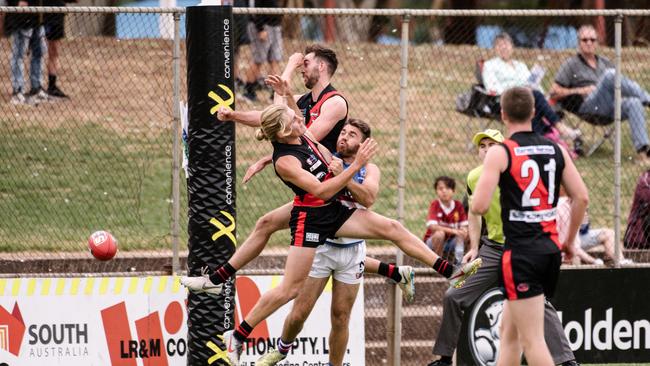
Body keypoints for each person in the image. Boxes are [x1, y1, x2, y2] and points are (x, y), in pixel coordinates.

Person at [183, 104, 481, 365]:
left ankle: (450, 271)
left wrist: (240, 112)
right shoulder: (285, 161)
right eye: (294, 118)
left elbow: (267, 116)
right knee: (290, 289)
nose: (301, 119)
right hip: (311, 217)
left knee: (392, 228)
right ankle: (236, 336)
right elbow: (324, 190)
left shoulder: (300, 134)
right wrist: (355, 167)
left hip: (334, 212)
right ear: (285, 131)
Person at [427, 128, 579, 366]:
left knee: (538, 304)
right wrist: (474, 247)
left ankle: (567, 361)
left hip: (522, 250)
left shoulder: (520, 171)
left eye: (492, 145)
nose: (486, 150)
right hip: (493, 250)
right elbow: (475, 214)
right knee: (453, 295)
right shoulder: (474, 177)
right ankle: (445, 359)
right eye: (482, 146)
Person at [255, 119, 391, 365]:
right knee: (298, 314)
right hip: (322, 246)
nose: (344, 137)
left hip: (351, 251)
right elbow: (300, 136)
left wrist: (347, 175)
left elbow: (368, 197)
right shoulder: (326, 157)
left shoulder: (370, 169)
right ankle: (282, 348)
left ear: (362, 144)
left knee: (341, 317)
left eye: (352, 135)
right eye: (343, 132)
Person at [471, 87, 588, 366]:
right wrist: (569, 241)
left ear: (502, 115)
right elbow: (581, 197)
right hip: (549, 251)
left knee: (533, 341)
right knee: (508, 334)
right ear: (534, 112)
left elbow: (479, 207)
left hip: (521, 255)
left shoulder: (501, 152)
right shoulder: (556, 149)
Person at [551, 24, 650, 164]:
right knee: (610, 75)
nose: (589, 43)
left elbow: (620, 83)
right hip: (588, 107)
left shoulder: (605, 62)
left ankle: (643, 153)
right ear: (578, 43)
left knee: (634, 102)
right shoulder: (571, 64)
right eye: (585, 40)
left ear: (597, 42)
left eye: (592, 40)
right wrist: (580, 90)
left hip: (609, 106)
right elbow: (554, 92)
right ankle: (648, 99)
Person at [482, 32, 582, 156]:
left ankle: (537, 143)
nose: (503, 47)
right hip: (504, 101)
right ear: (495, 49)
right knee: (535, 99)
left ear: (512, 47)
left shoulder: (521, 66)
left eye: (506, 44)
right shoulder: (490, 65)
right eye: (499, 45)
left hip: (527, 99)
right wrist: (518, 90)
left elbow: (535, 85)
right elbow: (493, 88)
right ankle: (558, 129)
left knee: (536, 100)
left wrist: (533, 90)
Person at [557, 187, 632, 266]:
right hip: (567, 242)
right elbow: (572, 246)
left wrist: (583, 219)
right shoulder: (562, 208)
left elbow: (584, 228)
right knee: (575, 257)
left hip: (578, 238)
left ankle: (621, 261)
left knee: (608, 233)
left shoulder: (579, 202)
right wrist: (594, 261)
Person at [6, 0, 49, 105]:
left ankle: (36, 87)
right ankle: (18, 90)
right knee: (18, 55)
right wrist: (17, 2)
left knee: (38, 53)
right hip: (21, 18)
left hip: (37, 17)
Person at [242, 0, 283, 102]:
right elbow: (253, 9)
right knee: (258, 60)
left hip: (275, 25)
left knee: (275, 59)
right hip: (262, 26)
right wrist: (260, 29)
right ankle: (249, 91)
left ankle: (274, 93)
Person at [422, 176, 468, 265]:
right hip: (433, 242)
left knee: (468, 234)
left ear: (453, 191)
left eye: (447, 188)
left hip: (452, 242)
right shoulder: (435, 205)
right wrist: (454, 231)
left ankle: (463, 264)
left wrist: (463, 231)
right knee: (440, 234)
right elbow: (432, 226)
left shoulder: (458, 205)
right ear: (436, 191)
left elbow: (464, 225)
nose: (444, 191)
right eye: (440, 188)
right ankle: (438, 265)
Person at [43, 0, 75, 98]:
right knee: (45, 51)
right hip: (48, 16)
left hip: (57, 16)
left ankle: (52, 86)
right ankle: (39, 86)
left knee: (54, 52)